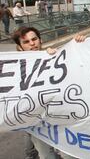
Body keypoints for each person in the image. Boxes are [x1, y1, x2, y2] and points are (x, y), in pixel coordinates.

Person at [12, 27, 85, 159]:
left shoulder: (53, 56)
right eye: (26, 42)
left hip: (60, 118)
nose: (32, 43)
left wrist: (79, 44)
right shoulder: (15, 67)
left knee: (70, 155)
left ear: (40, 40)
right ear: (20, 46)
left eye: (34, 39)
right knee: (46, 156)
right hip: (35, 122)